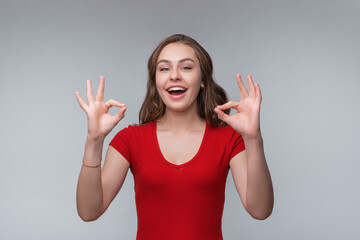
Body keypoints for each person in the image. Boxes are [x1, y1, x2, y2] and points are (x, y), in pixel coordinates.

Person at [75, 34, 273, 240]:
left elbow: (260, 210)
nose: (174, 76)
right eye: (164, 68)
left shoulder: (229, 139)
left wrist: (253, 138)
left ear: (203, 80)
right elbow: (89, 212)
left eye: (186, 67)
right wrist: (94, 140)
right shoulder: (129, 139)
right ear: (156, 80)